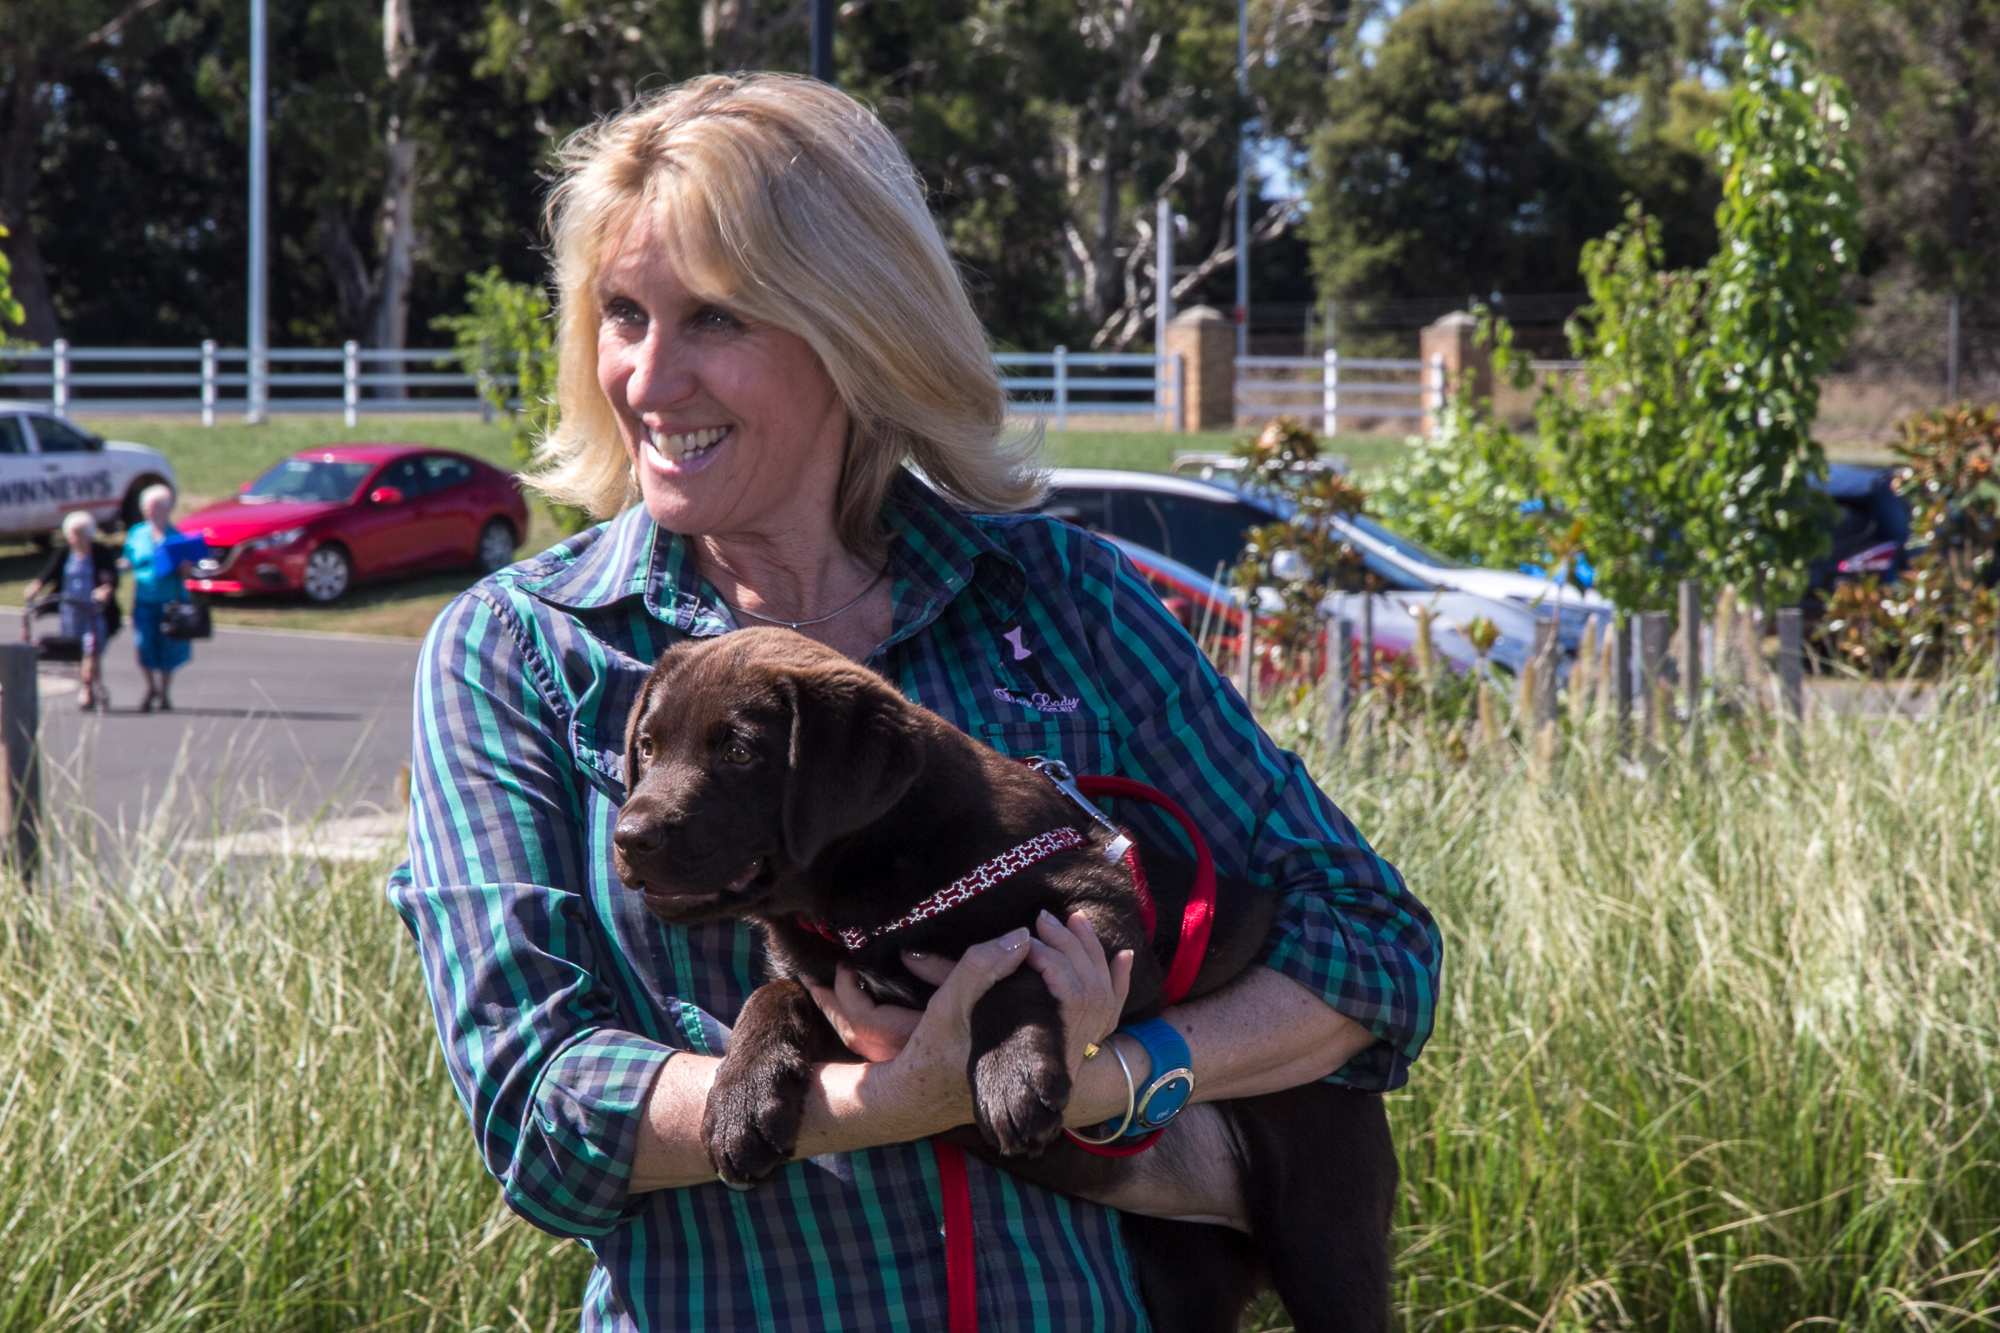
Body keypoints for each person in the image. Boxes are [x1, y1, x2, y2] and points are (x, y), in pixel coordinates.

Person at [389, 73, 1441, 1330]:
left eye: (717, 317)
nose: (649, 377)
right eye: (622, 314)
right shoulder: (525, 651)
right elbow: (536, 1106)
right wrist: (898, 1094)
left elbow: (1375, 947)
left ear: (856, 329)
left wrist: (1129, 1073)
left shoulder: (1055, 598)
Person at [23, 510, 123, 709]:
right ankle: (96, 685)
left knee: (91, 649)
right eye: (72, 533)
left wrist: (105, 591)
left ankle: (87, 688)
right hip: (70, 611)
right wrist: (35, 588)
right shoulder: (65, 552)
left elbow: (110, 579)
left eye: (79, 533)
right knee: (78, 651)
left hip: (94, 612)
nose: (75, 537)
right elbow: (48, 574)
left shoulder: (100, 552)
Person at [121, 483, 194, 712]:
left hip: (170, 601)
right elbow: (128, 561)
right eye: (148, 507)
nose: (151, 512)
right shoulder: (137, 534)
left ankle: (164, 691)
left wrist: (184, 567)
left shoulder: (176, 537)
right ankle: (150, 686)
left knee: (169, 647)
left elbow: (187, 572)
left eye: (156, 507)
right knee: (143, 645)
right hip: (144, 598)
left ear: (167, 509)